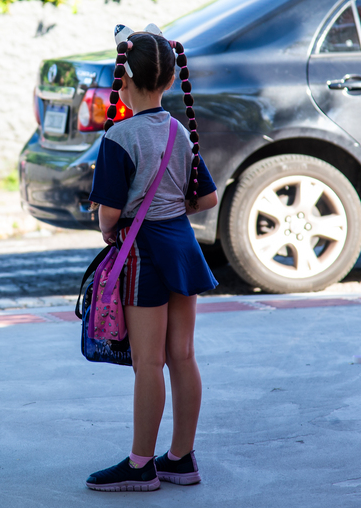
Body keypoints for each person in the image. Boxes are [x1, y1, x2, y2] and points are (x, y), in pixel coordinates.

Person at [85, 28, 220, 492]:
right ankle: (181, 458)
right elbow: (208, 197)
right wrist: (169, 209)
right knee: (182, 355)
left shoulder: (120, 136)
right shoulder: (180, 132)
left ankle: (141, 464)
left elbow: (109, 214)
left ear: (122, 80)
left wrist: (109, 230)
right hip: (182, 247)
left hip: (142, 254)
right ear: (166, 81)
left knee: (148, 362)